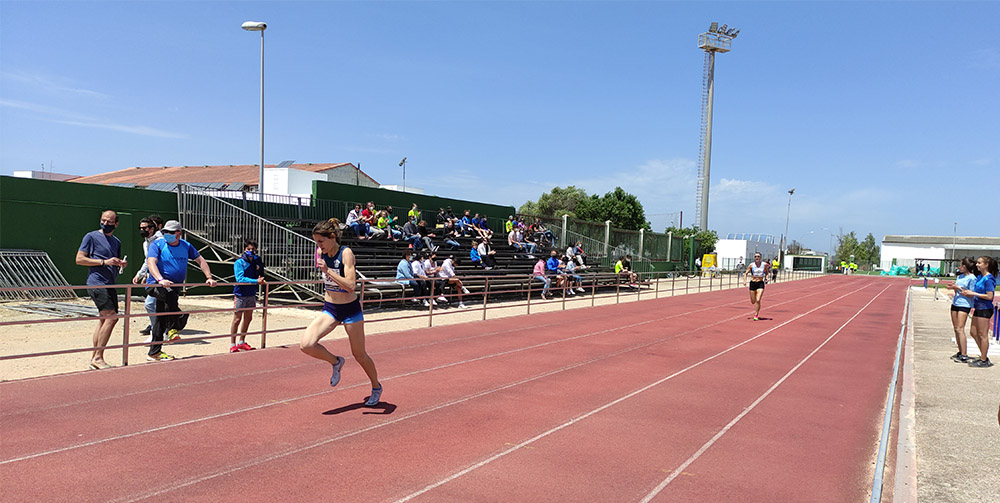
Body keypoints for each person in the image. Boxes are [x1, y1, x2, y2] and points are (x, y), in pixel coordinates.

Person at [301, 218, 383, 406]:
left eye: (321, 241)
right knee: (306, 345)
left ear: (332, 237)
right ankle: (336, 361)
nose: (318, 245)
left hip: (350, 310)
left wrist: (328, 271)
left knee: (359, 354)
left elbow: (351, 286)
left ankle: (376, 386)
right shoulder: (319, 252)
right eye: (316, 242)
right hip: (330, 308)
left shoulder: (346, 253)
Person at [145, 220, 217, 361]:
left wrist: (209, 277)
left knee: (160, 318)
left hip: (175, 285)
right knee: (170, 297)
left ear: (179, 233)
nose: (167, 235)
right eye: (165, 232)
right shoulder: (157, 244)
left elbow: (201, 260)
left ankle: (155, 352)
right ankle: (175, 326)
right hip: (156, 284)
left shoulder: (186, 245)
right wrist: (160, 279)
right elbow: (151, 262)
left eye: (171, 232)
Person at [75, 210, 128, 370]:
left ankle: (95, 357)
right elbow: (79, 259)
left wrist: (119, 263)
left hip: (110, 283)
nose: (105, 223)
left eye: (109, 221)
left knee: (104, 319)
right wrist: (104, 262)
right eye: (103, 220)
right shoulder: (90, 236)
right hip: (97, 283)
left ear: (116, 224)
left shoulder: (116, 241)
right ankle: (98, 357)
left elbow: (113, 261)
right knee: (112, 317)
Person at [960, 256, 997, 368]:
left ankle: (984, 359)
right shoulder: (980, 277)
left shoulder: (988, 279)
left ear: (986, 265)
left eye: (979, 263)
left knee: (982, 334)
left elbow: (990, 296)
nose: (977, 265)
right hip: (978, 308)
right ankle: (984, 355)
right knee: (973, 332)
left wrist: (973, 294)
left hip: (985, 308)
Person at [230, 240, 266, 353]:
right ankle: (232, 344)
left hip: (251, 293)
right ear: (244, 249)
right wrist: (256, 281)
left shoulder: (256, 261)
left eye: (253, 249)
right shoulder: (239, 263)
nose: (251, 251)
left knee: (248, 318)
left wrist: (260, 277)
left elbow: (260, 273)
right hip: (240, 294)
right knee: (237, 319)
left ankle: (242, 341)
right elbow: (239, 279)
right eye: (248, 249)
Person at [132, 216, 162, 336]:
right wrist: (140, 274)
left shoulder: (161, 240)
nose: (142, 230)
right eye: (140, 228)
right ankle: (158, 331)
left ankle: (158, 332)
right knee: (155, 305)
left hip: (162, 277)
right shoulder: (146, 243)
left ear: (152, 228)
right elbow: (148, 260)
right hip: (152, 277)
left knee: (150, 304)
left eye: (144, 228)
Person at [945, 257, 977, 363]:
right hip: (956, 303)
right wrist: (953, 287)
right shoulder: (960, 277)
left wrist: (958, 288)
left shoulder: (972, 278)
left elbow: (971, 293)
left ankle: (964, 354)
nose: (959, 267)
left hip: (965, 304)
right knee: (955, 328)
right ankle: (960, 351)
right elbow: (957, 290)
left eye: (961, 265)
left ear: (965, 266)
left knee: (960, 328)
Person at [743, 252, 770, 321]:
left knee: (758, 300)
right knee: (753, 301)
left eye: (758, 256)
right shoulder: (751, 265)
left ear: (760, 257)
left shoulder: (764, 265)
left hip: (760, 283)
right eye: (755, 256)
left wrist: (767, 277)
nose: (757, 258)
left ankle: (756, 314)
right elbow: (746, 273)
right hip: (753, 283)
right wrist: (744, 281)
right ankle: (755, 310)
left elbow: (767, 272)